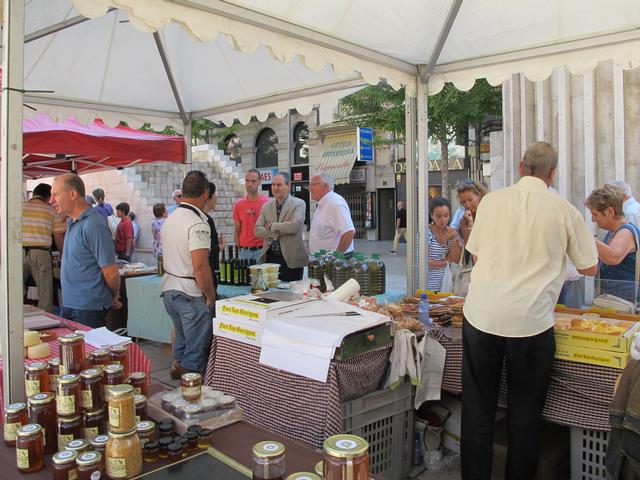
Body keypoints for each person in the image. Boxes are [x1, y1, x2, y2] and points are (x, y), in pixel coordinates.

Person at [461, 142, 598, 480]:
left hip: (482, 315)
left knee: (478, 410)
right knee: (525, 416)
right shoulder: (565, 211)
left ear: (521, 167)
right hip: (531, 323)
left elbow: (475, 254)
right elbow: (590, 266)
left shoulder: (491, 201)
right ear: (552, 173)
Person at [161, 170, 216, 377]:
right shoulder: (198, 222)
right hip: (189, 291)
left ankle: (179, 369)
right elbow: (200, 266)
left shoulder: (171, 218)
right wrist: (210, 294)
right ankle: (190, 383)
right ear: (205, 193)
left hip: (170, 288)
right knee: (195, 353)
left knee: (183, 340)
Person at [50, 174, 122, 328]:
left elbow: (111, 272)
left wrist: (112, 295)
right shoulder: (73, 221)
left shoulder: (94, 224)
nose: (51, 200)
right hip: (72, 304)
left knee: (88, 344)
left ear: (72, 194)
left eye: (55, 194)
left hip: (88, 308)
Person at [586, 185, 640, 303]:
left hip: (627, 305)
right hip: (614, 302)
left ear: (610, 211)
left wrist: (585, 237)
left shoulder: (626, 232)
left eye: (595, 214)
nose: (593, 219)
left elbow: (613, 257)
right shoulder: (612, 233)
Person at [255, 172, 308, 281]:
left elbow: (294, 226)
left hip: (291, 260)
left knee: (292, 291)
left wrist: (271, 226)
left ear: (288, 186)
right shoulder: (266, 206)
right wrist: (279, 232)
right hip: (270, 258)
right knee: (270, 291)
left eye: (279, 185)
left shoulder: (299, 204)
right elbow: (257, 230)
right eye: (273, 184)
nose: (275, 188)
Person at [22, 183, 66, 313]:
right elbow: (58, 236)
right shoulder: (50, 210)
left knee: (15, 291)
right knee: (45, 294)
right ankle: (44, 322)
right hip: (40, 253)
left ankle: (15, 321)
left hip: (18, 252)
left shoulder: (19, 207)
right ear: (48, 197)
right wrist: (63, 255)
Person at [308, 173, 355, 256]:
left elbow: (349, 232)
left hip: (333, 260)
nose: (310, 189)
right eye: (310, 186)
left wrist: (336, 257)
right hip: (323, 259)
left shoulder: (334, 203)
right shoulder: (323, 203)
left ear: (325, 185)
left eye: (313, 185)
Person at [233, 169, 269, 262]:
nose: (249, 184)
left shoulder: (267, 203)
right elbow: (237, 229)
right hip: (244, 252)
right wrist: (239, 249)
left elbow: (269, 229)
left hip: (261, 251)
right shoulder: (238, 204)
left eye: (253, 181)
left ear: (259, 181)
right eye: (247, 181)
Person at [427, 197, 461, 291]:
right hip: (427, 285)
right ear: (432, 215)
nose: (443, 220)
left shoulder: (451, 232)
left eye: (446, 215)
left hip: (445, 283)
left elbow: (456, 259)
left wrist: (453, 239)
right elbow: (424, 262)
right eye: (438, 216)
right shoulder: (426, 233)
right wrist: (445, 262)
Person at [450, 179, 487, 248]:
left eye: (470, 200)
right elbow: (470, 247)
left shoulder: (488, 214)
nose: (467, 205)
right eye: (464, 202)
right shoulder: (464, 221)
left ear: (479, 196)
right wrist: (470, 224)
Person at [203, 181, 226, 287]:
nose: (216, 198)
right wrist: (220, 247)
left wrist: (217, 244)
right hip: (206, 274)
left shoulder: (206, 218)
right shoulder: (205, 220)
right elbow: (207, 249)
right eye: (215, 194)